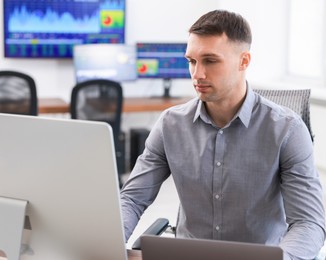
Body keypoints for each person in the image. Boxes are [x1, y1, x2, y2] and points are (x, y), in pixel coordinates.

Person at [120, 9, 325, 260]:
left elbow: (309, 223)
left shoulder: (287, 130)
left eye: (210, 61)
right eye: (192, 61)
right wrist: (109, 242)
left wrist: (284, 257)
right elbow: (132, 198)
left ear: (244, 61)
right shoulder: (170, 125)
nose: (197, 74)